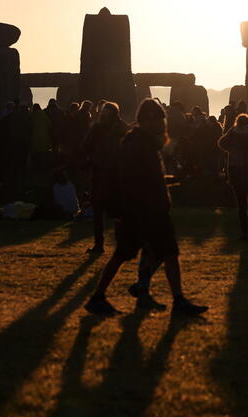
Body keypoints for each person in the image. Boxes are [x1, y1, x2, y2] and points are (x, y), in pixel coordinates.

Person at [85, 99, 208, 316]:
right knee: (161, 252)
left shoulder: (143, 143)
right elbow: (132, 178)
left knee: (137, 253)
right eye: (160, 119)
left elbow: (150, 176)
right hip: (144, 209)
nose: (163, 124)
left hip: (144, 208)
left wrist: (171, 179)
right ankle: (176, 301)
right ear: (148, 120)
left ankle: (133, 294)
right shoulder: (137, 144)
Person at [82, 101, 128, 253]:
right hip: (113, 172)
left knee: (100, 209)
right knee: (114, 210)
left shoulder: (97, 127)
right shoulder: (122, 128)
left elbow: (86, 147)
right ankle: (118, 243)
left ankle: (100, 244)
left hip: (103, 171)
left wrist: (86, 159)